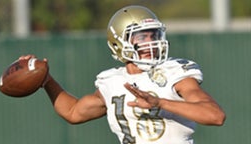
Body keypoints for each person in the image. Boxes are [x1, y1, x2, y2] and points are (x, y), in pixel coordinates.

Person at [20, 5, 226, 144]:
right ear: (120, 43)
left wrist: (160, 103)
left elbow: (215, 116)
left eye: (153, 35)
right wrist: (46, 80)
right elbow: (73, 112)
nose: (150, 42)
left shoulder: (174, 73)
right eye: (142, 37)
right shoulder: (112, 81)